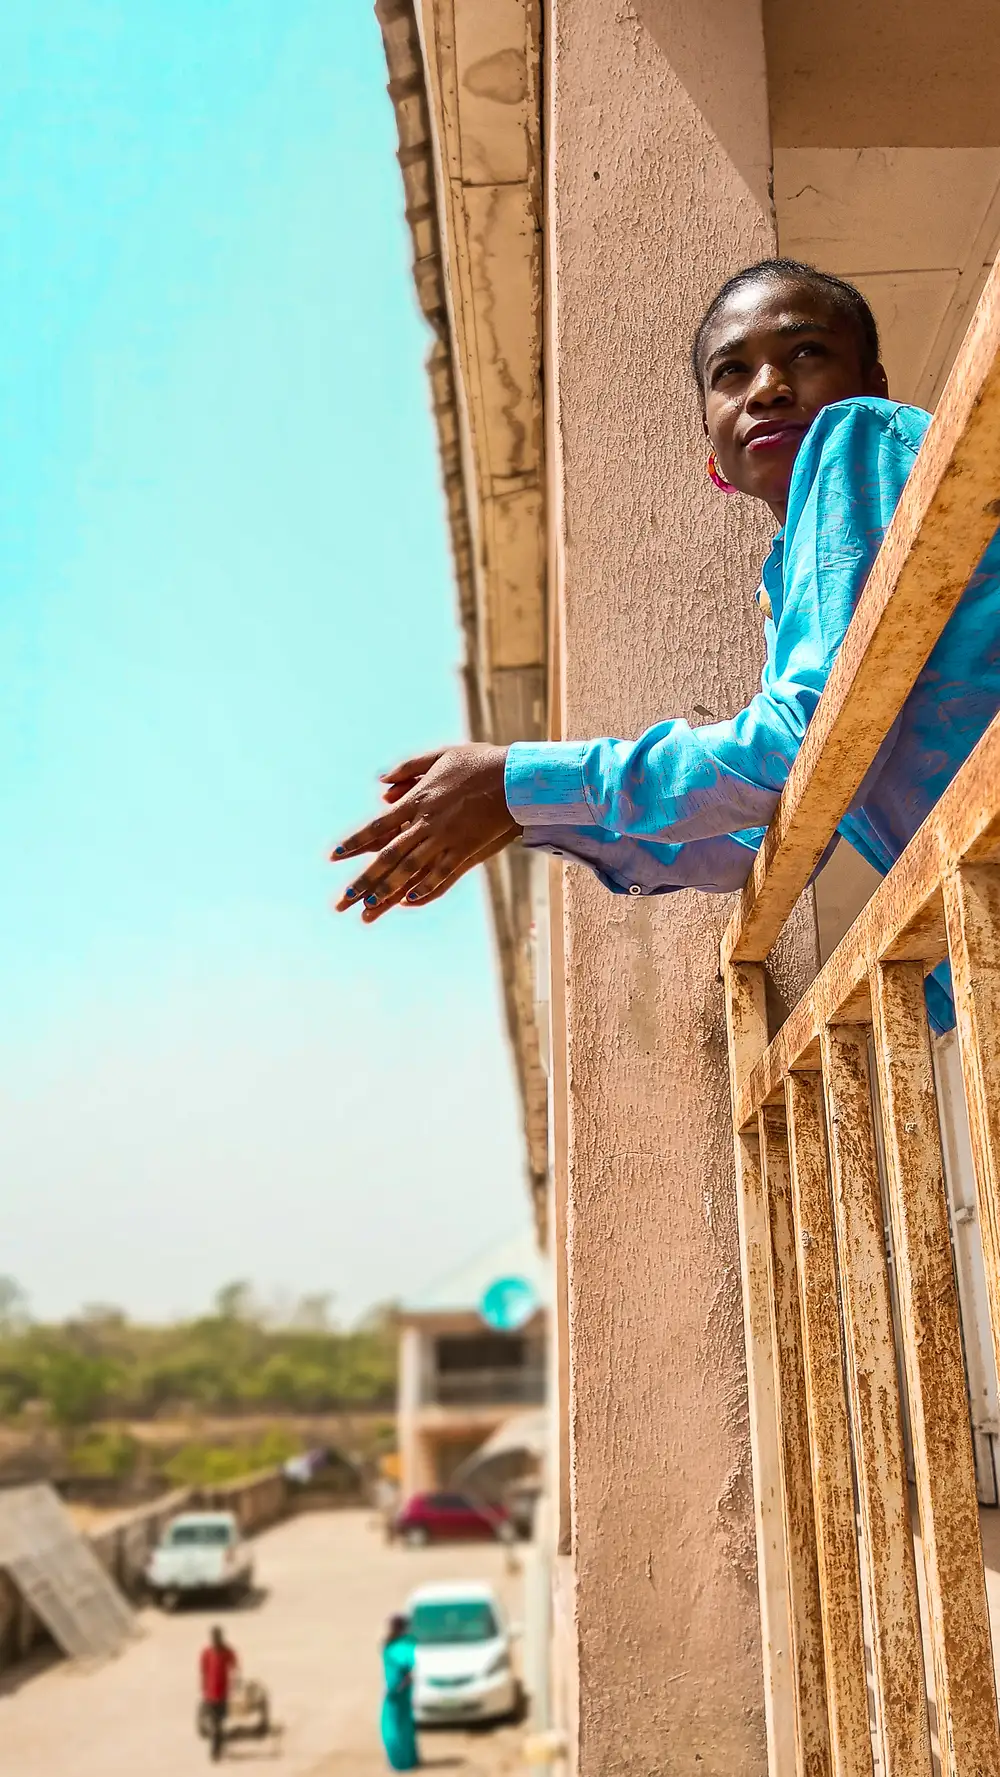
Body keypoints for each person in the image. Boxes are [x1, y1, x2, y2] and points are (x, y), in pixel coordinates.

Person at [332, 257, 1000, 1032]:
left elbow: (801, 739)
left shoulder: (861, 436)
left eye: (806, 353)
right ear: (710, 443)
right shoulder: (794, 581)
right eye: (732, 372)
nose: (768, 388)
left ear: (873, 384)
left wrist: (516, 781)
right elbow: (751, 835)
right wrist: (521, 812)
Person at [380, 1613, 419, 1771]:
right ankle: (407, 1760)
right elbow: (410, 1662)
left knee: (393, 1726)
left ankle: (399, 1761)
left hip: (395, 1690)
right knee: (403, 1725)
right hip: (401, 1689)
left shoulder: (393, 1645)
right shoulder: (405, 1644)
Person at [200, 1626, 238, 1763]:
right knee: (216, 1725)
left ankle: (218, 1747)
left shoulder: (227, 1652)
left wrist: (236, 1682)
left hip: (223, 1694)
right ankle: (215, 1752)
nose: (216, 1640)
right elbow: (203, 1672)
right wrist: (203, 1688)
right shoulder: (206, 1653)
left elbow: (235, 1666)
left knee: (220, 1723)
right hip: (210, 1695)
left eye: (218, 1637)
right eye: (214, 1638)